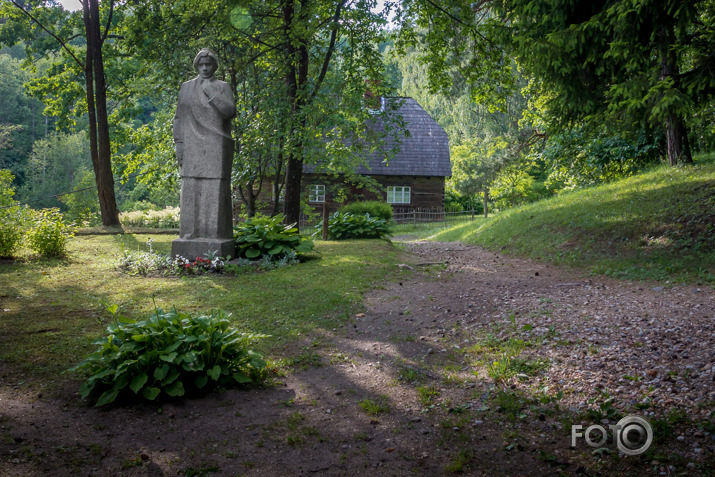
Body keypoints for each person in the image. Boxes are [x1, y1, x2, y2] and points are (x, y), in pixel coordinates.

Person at [172, 49, 236, 259]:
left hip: (216, 145)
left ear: (214, 66)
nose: (205, 68)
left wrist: (212, 94)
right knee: (190, 187)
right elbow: (179, 118)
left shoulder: (222, 87)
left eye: (209, 64)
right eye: (201, 65)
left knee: (213, 188)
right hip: (191, 145)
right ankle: (189, 235)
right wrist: (179, 144)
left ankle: (213, 235)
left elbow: (229, 112)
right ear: (196, 66)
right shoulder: (186, 88)